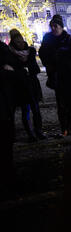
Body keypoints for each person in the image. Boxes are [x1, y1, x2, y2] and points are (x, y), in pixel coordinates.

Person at [6, 29, 45, 142]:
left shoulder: (30, 51)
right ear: (13, 42)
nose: (20, 43)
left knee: (36, 109)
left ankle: (39, 131)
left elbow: (35, 69)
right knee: (25, 110)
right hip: (21, 87)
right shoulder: (11, 55)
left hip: (32, 85)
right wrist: (24, 70)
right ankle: (30, 134)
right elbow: (14, 71)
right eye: (17, 42)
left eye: (21, 41)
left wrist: (24, 70)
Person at [38, 15, 71, 137]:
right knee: (61, 104)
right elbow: (42, 53)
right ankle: (64, 128)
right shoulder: (47, 38)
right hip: (56, 76)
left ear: (61, 27)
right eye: (52, 26)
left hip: (69, 75)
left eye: (56, 26)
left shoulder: (68, 38)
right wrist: (50, 64)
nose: (53, 28)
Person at [0, 40, 16, 199]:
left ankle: (9, 179)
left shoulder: (3, 50)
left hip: (5, 108)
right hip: (4, 108)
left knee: (6, 147)